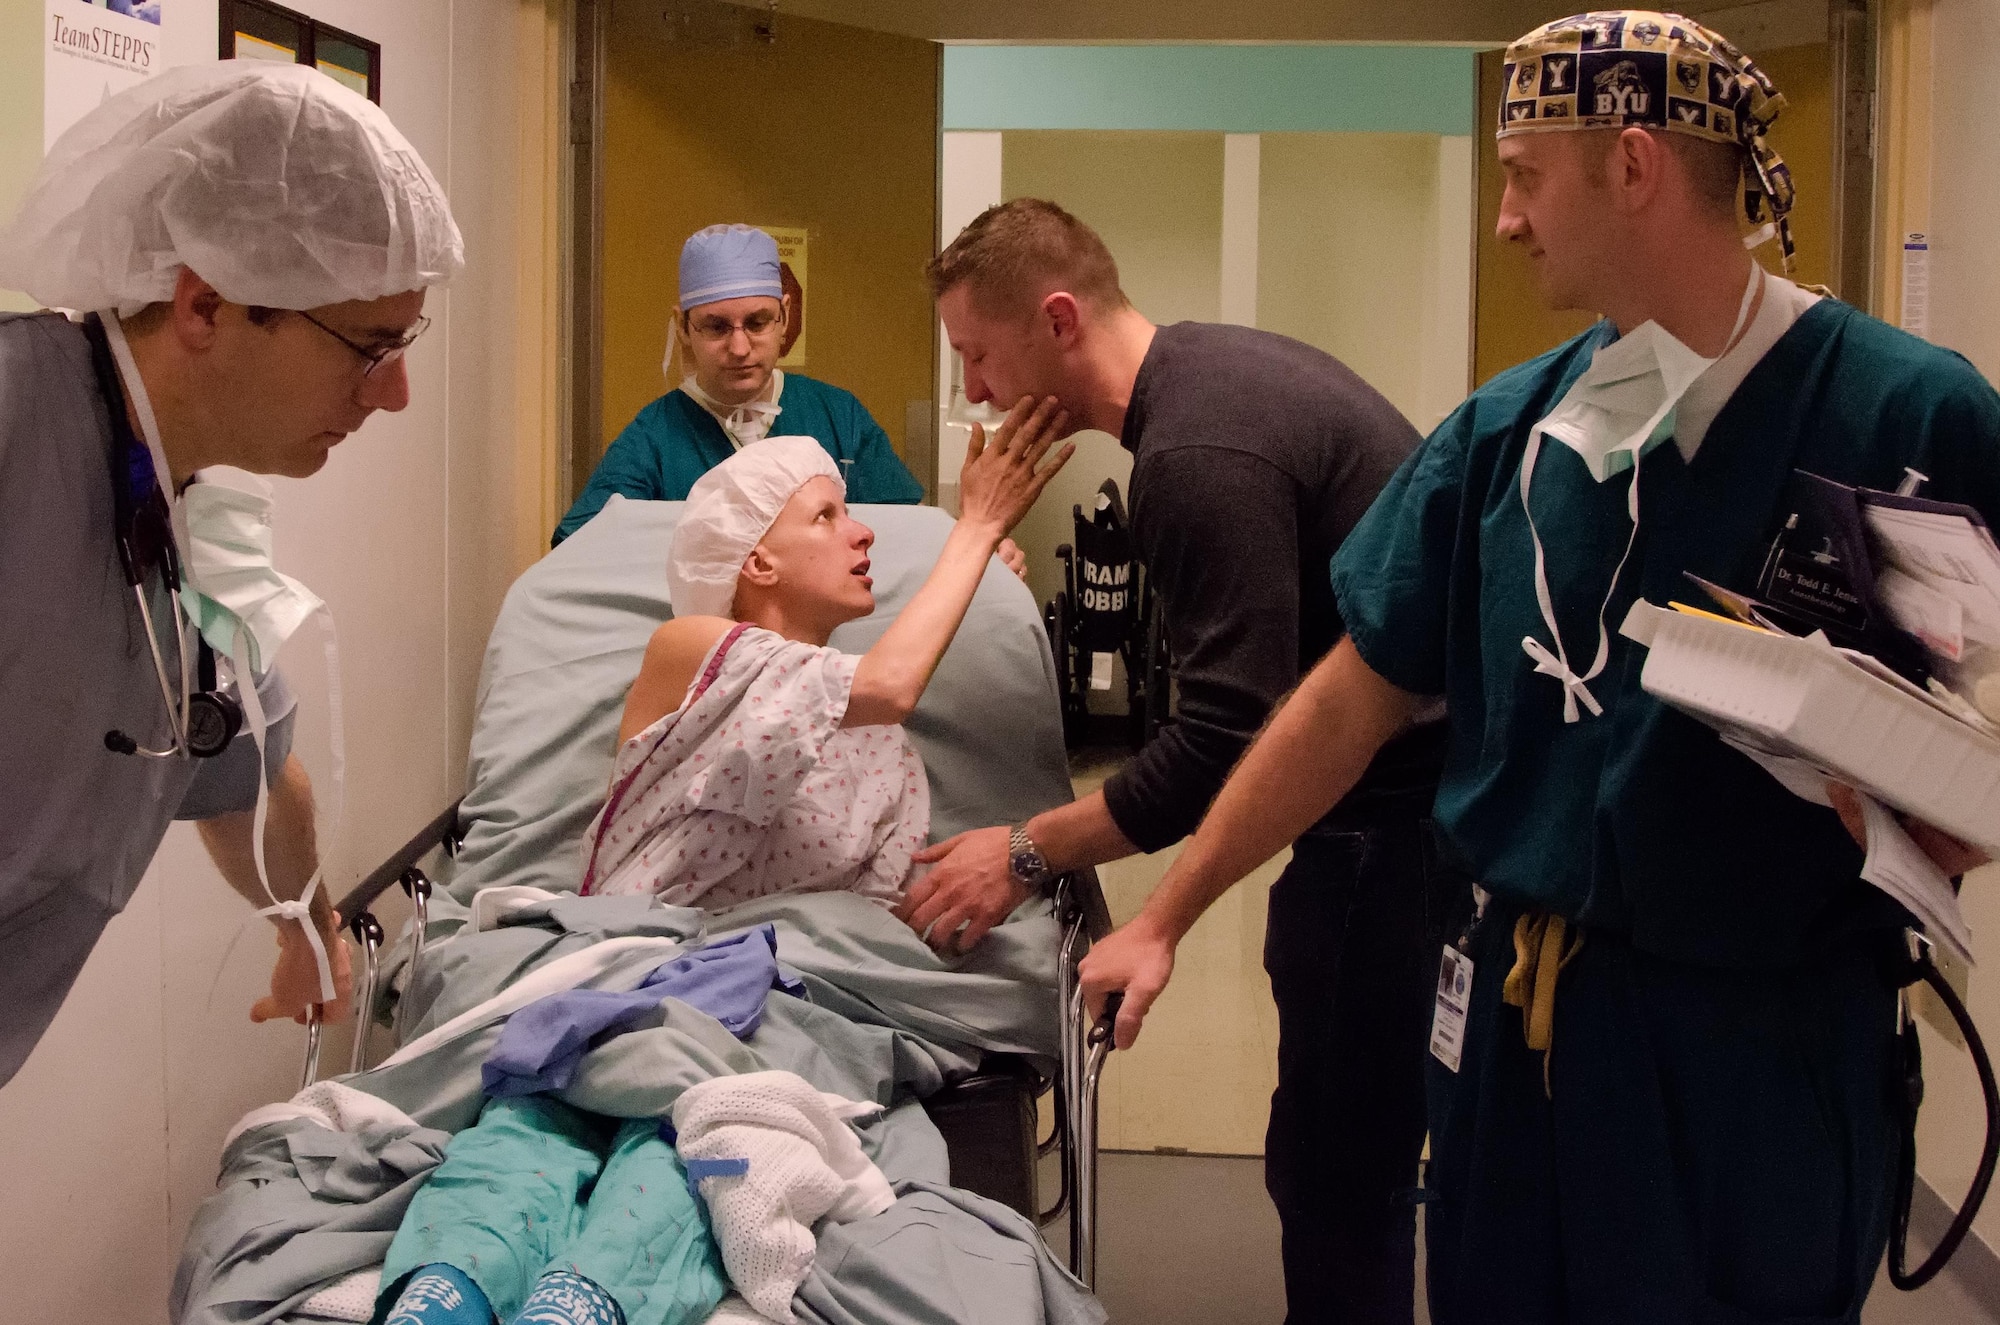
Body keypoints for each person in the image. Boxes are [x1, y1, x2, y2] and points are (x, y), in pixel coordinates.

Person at [1079, 12, 2000, 1323]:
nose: (1506, 218)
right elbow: (1353, 689)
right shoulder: (1520, 430)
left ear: (1632, 167)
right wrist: (1170, 913)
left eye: (1522, 173)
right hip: (1521, 1028)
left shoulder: (1906, 414)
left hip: (1758, 1048)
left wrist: (1958, 811)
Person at [375, 412, 1070, 1325]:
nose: (864, 532)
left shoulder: (884, 750)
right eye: (826, 515)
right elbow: (891, 680)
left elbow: (863, 917)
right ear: (756, 562)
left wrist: (995, 879)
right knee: (530, 1130)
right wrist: (970, 532)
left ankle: (581, 1305)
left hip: (774, 1007)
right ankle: (442, 1294)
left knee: (706, 1144)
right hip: (624, 986)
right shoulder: (693, 650)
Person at [907, 198, 1463, 1324]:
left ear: (1056, 317)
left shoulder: (1196, 456)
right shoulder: (1214, 374)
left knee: (1336, 1167)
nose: (971, 390)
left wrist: (1024, 850)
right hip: (1423, 810)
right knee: (1345, 1148)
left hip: (1399, 829)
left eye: (976, 353)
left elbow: (1220, 737)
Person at [0, 61, 463, 1087]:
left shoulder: (181, 511)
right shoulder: (17, 431)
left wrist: (306, 924)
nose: (393, 396)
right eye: (369, 346)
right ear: (206, 304)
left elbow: (244, 767)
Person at [552, 225, 925, 545]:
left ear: (786, 315)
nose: (740, 348)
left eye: (757, 323)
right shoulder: (653, 439)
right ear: (683, 327)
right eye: (716, 327)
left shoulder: (839, 417)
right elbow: (580, 550)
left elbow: (909, 537)